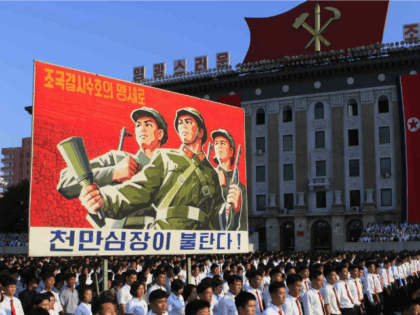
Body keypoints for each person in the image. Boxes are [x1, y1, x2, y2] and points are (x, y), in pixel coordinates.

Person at [79, 108, 241, 231]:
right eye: (180, 122)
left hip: (197, 237)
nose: (183, 126)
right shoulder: (166, 157)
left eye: (188, 121)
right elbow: (138, 190)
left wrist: (234, 209)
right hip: (166, 232)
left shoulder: (211, 173)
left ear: (201, 132)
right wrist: (104, 201)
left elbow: (217, 220)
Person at [57, 107, 168, 228]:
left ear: (160, 134)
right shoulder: (117, 158)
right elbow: (65, 181)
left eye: (148, 124)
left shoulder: (170, 169)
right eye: (138, 125)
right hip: (117, 236)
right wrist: (113, 172)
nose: (142, 129)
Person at [211, 129, 247, 231]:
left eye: (222, 143)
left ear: (231, 151)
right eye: (216, 144)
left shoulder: (240, 187)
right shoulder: (209, 175)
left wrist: (237, 209)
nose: (218, 147)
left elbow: (243, 224)